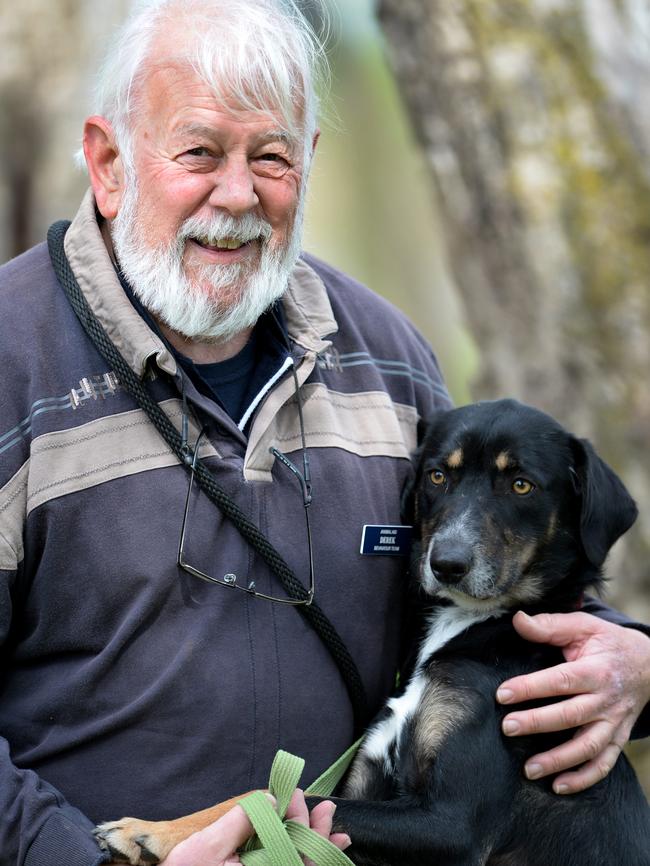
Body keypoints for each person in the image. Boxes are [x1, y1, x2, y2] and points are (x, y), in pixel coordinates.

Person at [0, 1, 648, 863]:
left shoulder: (389, 359)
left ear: (306, 162)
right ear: (108, 162)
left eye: (271, 156)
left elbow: (500, 588)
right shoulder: (14, 360)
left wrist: (636, 665)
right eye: (198, 152)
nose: (237, 195)